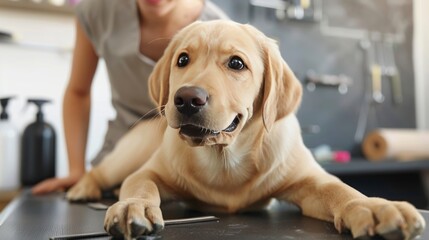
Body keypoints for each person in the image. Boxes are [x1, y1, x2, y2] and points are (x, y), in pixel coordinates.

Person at [32, 0, 228, 194]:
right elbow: (78, 92)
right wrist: (76, 170)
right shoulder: (98, 12)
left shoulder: (222, 33)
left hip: (188, 167)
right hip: (117, 161)